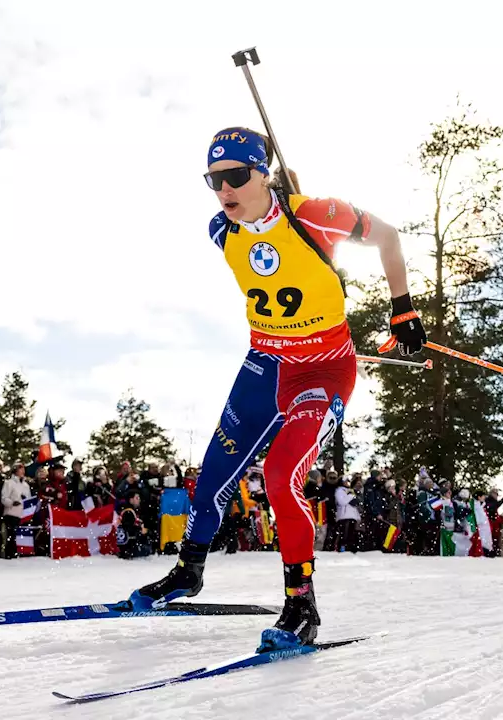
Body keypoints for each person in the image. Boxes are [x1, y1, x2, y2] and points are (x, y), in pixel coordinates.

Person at [130, 126, 426, 652]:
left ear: (262, 173)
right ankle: (188, 571)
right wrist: (267, 201)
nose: (224, 191)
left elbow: (389, 237)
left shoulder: (316, 215)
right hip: (265, 362)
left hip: (322, 371)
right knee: (214, 473)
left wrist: (401, 306)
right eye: (213, 180)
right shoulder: (222, 231)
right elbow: (260, 232)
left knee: (280, 471)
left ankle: (301, 604)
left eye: (236, 177)